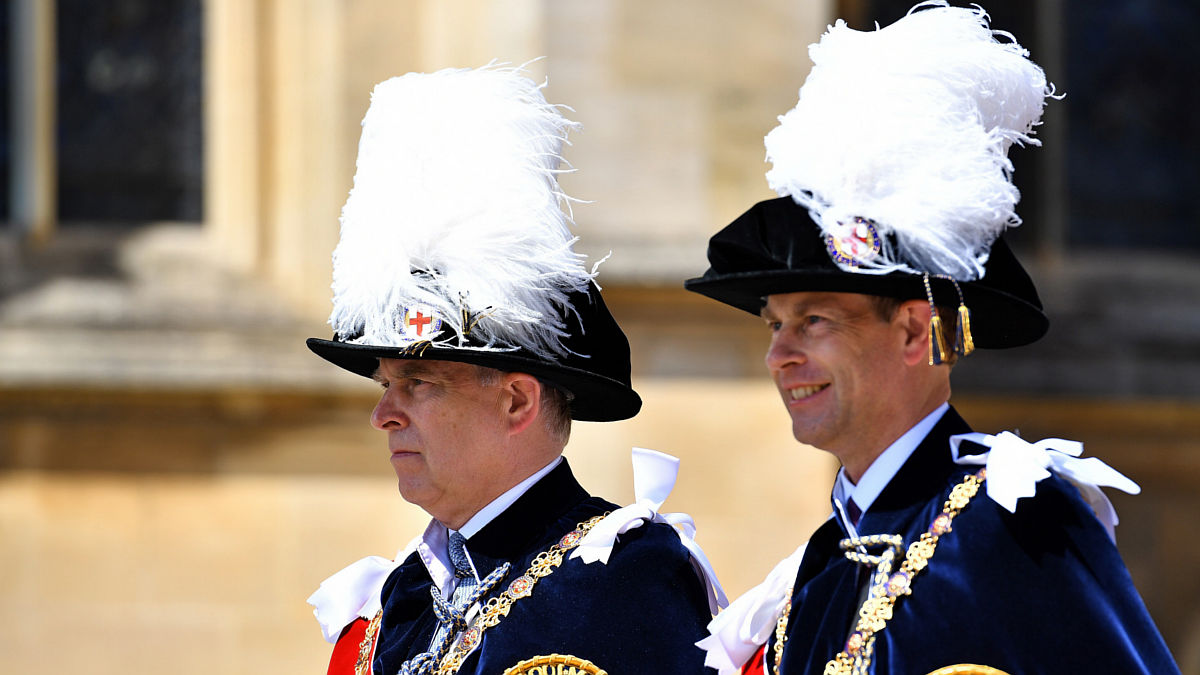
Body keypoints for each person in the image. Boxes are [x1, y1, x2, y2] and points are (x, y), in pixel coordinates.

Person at [689, 3, 1180, 674]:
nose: (780, 355)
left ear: (915, 331)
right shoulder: (817, 572)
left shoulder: (1016, 522)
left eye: (814, 321)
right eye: (776, 324)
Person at [304, 64, 723, 675]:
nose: (383, 415)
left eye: (418, 383)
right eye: (387, 384)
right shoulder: (401, 597)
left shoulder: (619, 577)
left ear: (517, 402)